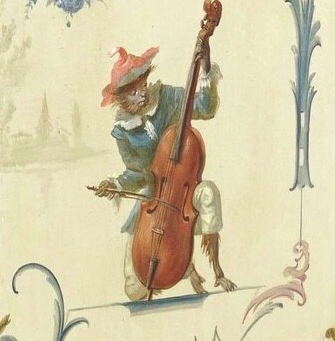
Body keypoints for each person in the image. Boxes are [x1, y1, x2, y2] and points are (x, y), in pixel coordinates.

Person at [90, 45, 236, 298]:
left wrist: (206, 68)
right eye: (133, 92)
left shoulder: (168, 98)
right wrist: (116, 184)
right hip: (154, 200)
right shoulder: (123, 131)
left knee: (209, 192)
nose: (142, 94)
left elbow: (206, 108)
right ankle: (184, 266)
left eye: (143, 86)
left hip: (185, 196)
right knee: (135, 288)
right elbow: (137, 174)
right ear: (121, 99)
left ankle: (216, 269)